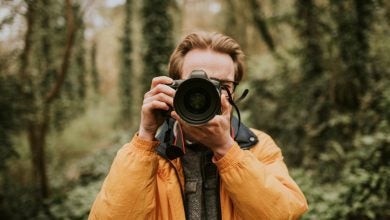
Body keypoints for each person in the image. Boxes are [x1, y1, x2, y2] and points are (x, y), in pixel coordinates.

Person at [89, 31, 308, 219]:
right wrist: (146, 135)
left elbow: (285, 213)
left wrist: (226, 149)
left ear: (235, 91)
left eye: (222, 85)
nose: (208, 94)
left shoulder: (257, 146)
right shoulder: (149, 153)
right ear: (173, 87)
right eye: (197, 84)